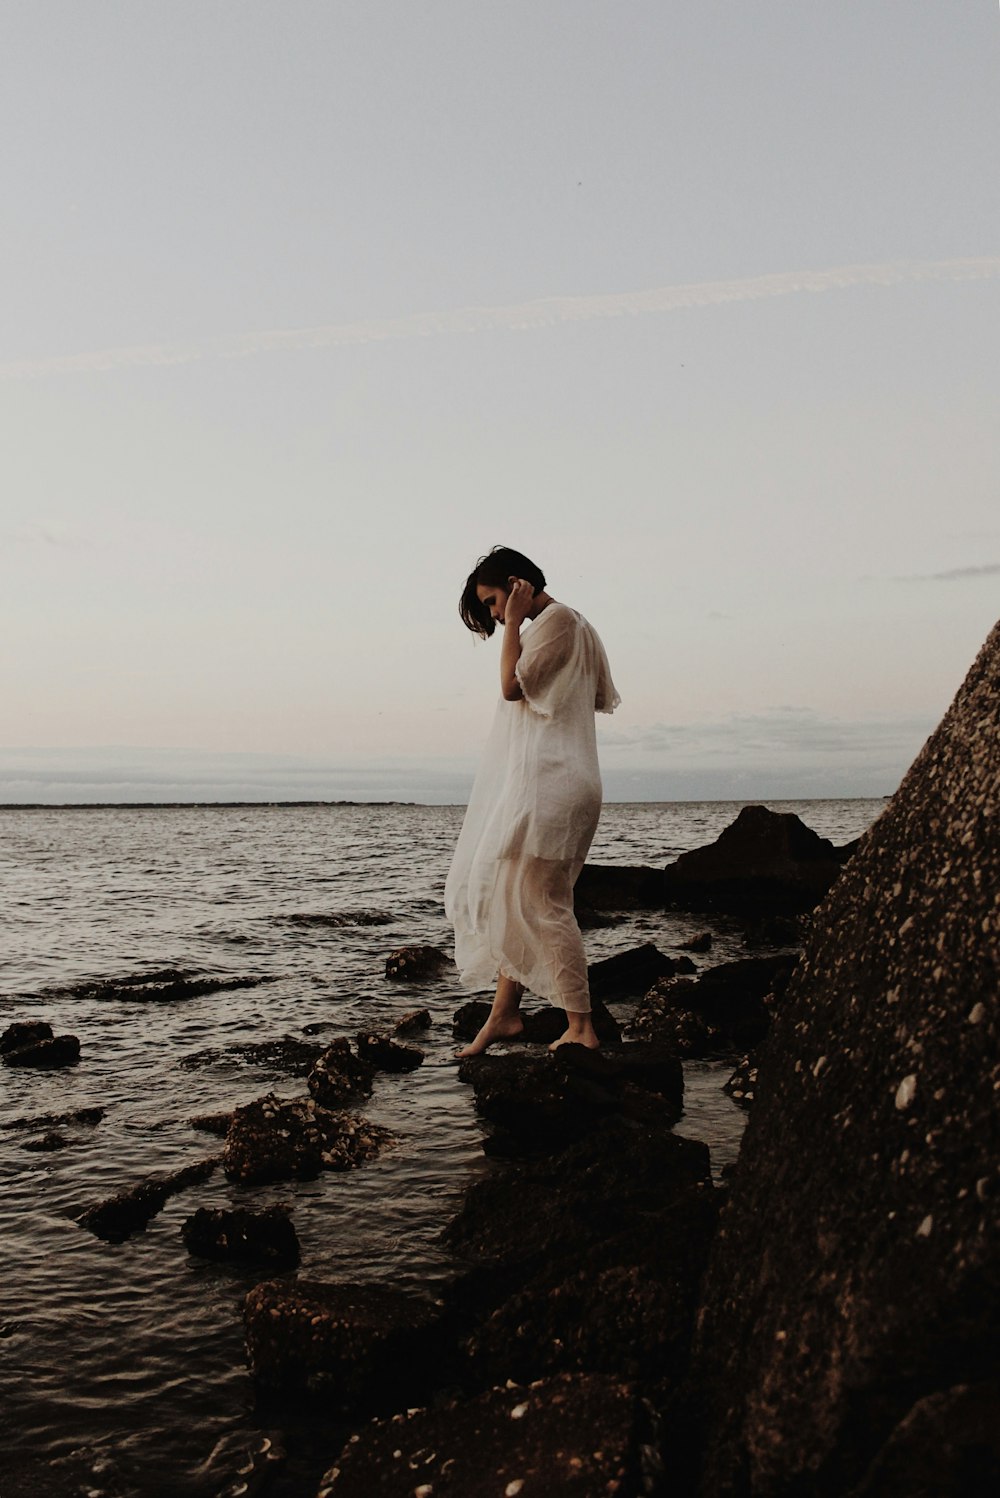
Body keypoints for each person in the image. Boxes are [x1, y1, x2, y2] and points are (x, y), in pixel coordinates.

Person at [445, 545, 619, 1056]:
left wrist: (517, 622)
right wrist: (518, 624)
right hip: (552, 781)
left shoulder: (560, 620)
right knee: (513, 896)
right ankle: (504, 1016)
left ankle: (581, 1027)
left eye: (495, 601)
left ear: (518, 584)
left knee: (545, 904)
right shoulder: (569, 624)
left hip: (555, 784)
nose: (496, 615)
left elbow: (511, 687)